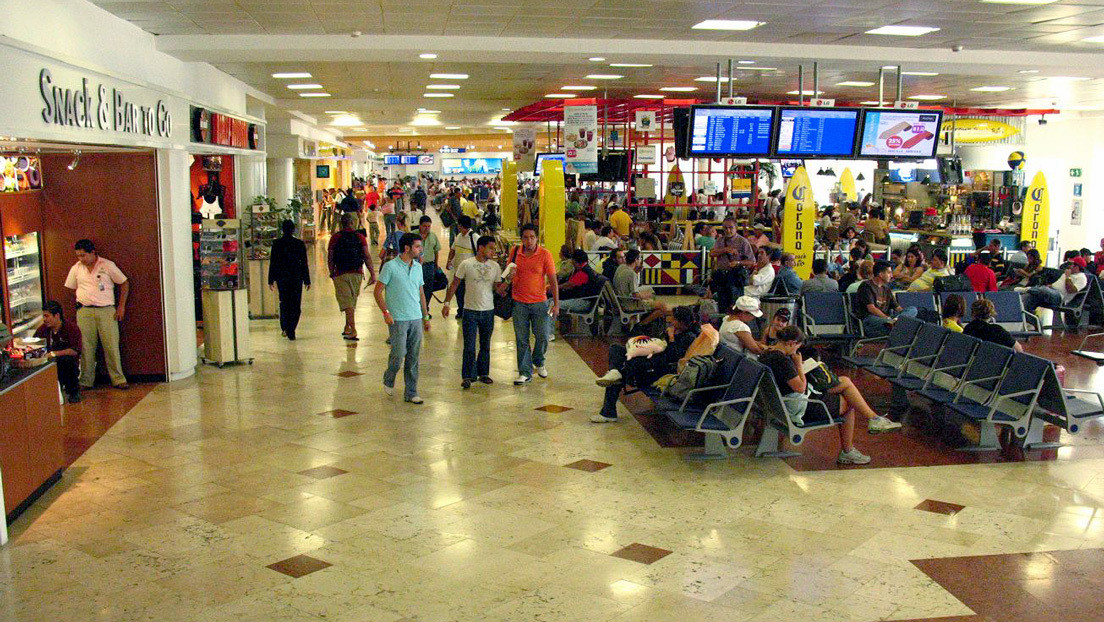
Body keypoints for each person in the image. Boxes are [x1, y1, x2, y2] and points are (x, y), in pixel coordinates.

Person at [759, 326, 900, 466]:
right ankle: (849, 449)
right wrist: (799, 366)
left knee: (845, 381)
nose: (796, 351)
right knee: (850, 402)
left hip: (780, 405)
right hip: (799, 408)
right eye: (797, 347)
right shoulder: (781, 361)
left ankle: (873, 418)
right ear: (791, 343)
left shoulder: (768, 353)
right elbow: (800, 388)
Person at [592, 306, 700, 423]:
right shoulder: (676, 330)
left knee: (621, 372)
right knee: (616, 349)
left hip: (658, 369)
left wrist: (671, 338)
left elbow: (673, 357)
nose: (671, 322)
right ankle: (615, 372)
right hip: (651, 362)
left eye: (673, 319)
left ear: (681, 322)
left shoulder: (689, 336)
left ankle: (608, 411)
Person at [373, 232, 430, 404]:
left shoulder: (418, 268)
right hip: (398, 319)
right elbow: (377, 292)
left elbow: (421, 293)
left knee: (413, 357)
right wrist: (386, 313)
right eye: (417, 247)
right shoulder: (390, 267)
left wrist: (426, 316)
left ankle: (411, 392)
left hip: (415, 318)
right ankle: (389, 377)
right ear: (407, 248)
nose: (420, 250)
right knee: (398, 354)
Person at [65, 239, 129, 390]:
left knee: (111, 346)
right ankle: (86, 380)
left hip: (106, 310)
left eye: (84, 255)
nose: (81, 259)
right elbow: (71, 287)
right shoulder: (76, 268)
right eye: (78, 256)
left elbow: (124, 283)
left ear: (93, 252)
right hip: (85, 311)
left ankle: (118, 379)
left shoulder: (107, 265)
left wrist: (121, 307)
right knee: (86, 347)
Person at [499, 223, 558, 385]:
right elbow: (507, 276)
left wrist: (556, 304)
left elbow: (553, 280)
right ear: (521, 238)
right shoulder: (515, 252)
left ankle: (538, 360)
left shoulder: (545, 254)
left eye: (532, 237)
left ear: (537, 238)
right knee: (522, 338)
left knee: (543, 336)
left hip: (540, 302)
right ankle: (525, 372)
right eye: (525, 237)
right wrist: (509, 278)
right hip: (519, 303)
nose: (529, 241)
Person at [443, 236, 502, 389]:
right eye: (490, 248)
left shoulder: (495, 267)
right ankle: (468, 375)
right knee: (469, 345)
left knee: (485, 344)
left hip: (488, 311)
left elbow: (498, 289)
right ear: (480, 248)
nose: (493, 251)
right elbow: (455, 284)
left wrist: (508, 280)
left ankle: (483, 373)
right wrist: (447, 303)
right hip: (470, 311)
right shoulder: (466, 264)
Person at [328, 213, 377, 341]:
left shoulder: (335, 238)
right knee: (351, 300)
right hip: (357, 272)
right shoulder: (360, 237)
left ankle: (353, 329)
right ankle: (347, 326)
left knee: (347, 301)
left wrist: (331, 271)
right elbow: (366, 255)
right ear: (352, 223)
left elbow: (330, 256)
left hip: (340, 273)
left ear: (341, 224)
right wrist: (372, 273)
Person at [268, 219, 311, 340]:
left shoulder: (277, 244)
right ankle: (291, 328)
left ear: (282, 229)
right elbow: (304, 263)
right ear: (293, 230)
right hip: (296, 278)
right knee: (296, 304)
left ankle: (285, 327)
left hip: (282, 278)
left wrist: (271, 279)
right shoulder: (299, 244)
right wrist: (307, 280)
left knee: (284, 303)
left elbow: (273, 262)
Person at [33, 301, 82, 402]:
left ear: (57, 315)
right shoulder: (42, 330)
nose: (44, 319)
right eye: (43, 316)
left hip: (66, 363)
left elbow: (75, 350)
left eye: (47, 316)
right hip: (48, 362)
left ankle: (73, 392)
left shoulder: (71, 328)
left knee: (66, 360)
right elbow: (34, 345)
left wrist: (54, 354)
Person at [854, 260, 918, 337]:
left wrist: (902, 317)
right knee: (897, 328)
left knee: (912, 309)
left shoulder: (886, 289)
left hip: (888, 322)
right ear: (881, 274)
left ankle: (896, 324)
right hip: (871, 320)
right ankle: (896, 325)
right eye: (889, 273)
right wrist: (888, 319)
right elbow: (871, 309)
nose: (891, 275)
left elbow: (898, 308)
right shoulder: (866, 286)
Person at [710, 218, 757, 313]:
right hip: (722, 278)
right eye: (725, 228)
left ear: (736, 228)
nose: (728, 230)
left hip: (736, 279)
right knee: (722, 305)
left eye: (731, 228)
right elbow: (711, 253)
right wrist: (725, 249)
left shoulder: (743, 242)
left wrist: (738, 263)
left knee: (735, 304)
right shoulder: (720, 240)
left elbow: (752, 261)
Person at [554, 250, 603, 337]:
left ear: (575, 261)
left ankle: (549, 332)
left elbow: (569, 285)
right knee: (554, 302)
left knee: (553, 304)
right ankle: (561, 327)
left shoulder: (583, 273)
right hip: (584, 300)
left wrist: (555, 288)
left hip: (583, 302)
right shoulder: (586, 269)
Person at [1022, 256, 1088, 314]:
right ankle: (1030, 321)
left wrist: (1068, 277)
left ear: (1077, 267)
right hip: (1052, 291)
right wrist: (1051, 285)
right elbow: (1059, 283)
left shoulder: (1081, 278)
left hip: (1060, 297)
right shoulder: (1068, 272)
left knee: (1043, 289)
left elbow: (1071, 290)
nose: (1070, 266)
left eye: (1072, 265)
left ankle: (1028, 289)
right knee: (1028, 297)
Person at [418, 215, 442, 306]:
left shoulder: (433, 236)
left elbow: (436, 251)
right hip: (416, 266)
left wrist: (436, 265)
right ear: (420, 225)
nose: (427, 228)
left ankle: (425, 307)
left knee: (428, 287)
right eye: (424, 226)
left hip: (429, 266)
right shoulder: (413, 235)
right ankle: (418, 308)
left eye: (429, 226)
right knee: (416, 287)